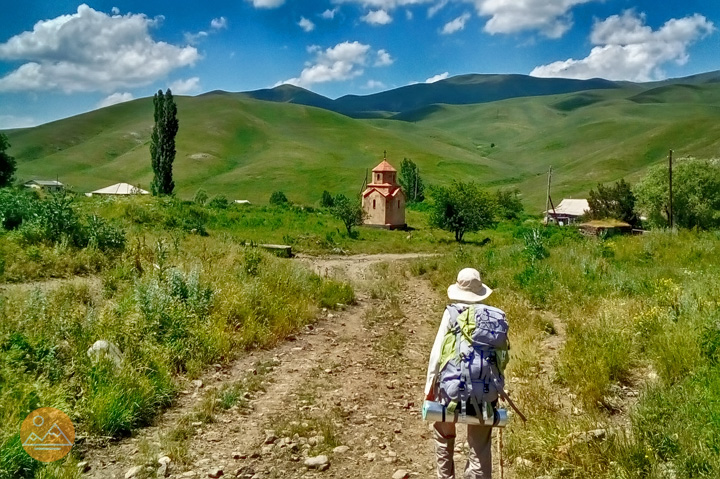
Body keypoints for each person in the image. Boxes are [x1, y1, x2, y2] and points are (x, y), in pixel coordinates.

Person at [424, 267, 500, 479]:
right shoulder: (492, 317)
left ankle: (445, 476)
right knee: (480, 445)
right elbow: (499, 359)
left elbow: (437, 355)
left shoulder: (451, 314)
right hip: (485, 392)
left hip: (451, 391)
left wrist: (429, 388)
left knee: (443, 433)